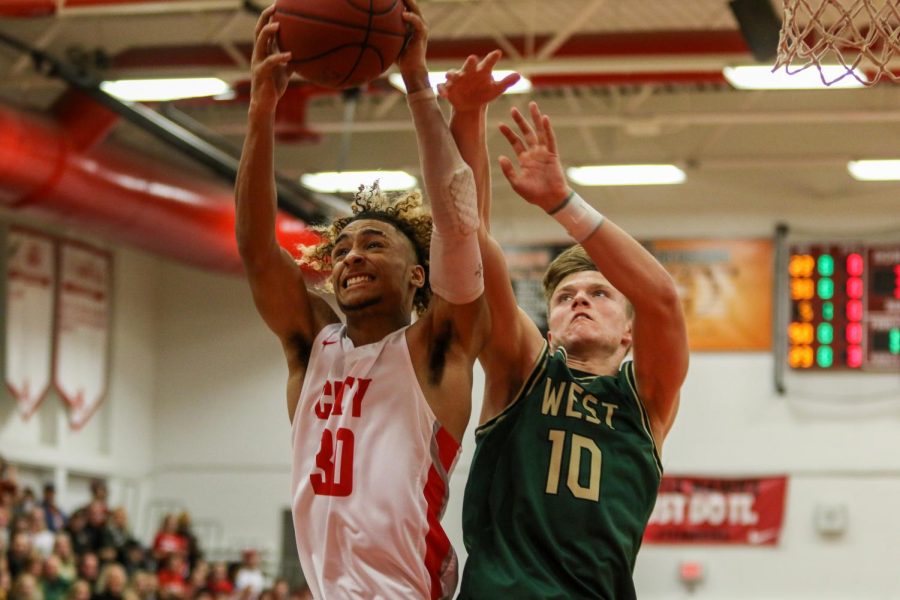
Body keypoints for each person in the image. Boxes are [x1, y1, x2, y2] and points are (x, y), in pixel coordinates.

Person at [234, 0, 487, 597]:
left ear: (418, 276)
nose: (351, 256)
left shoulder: (434, 350)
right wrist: (260, 109)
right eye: (342, 248)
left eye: (374, 244)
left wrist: (417, 81)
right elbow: (255, 246)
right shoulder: (311, 346)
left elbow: (458, 219)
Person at [440, 54, 689, 598]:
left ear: (628, 331)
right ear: (548, 325)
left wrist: (562, 202)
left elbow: (663, 299)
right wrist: (467, 114)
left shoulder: (646, 401)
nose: (579, 301)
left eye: (600, 294)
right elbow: (470, 238)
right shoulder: (521, 369)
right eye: (565, 297)